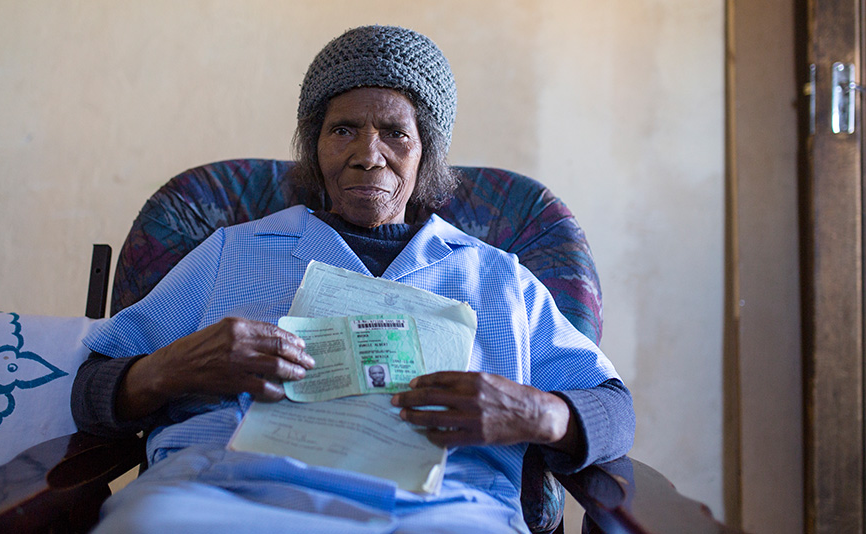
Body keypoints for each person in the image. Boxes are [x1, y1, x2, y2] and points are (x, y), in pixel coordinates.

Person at [73, 25, 634, 534]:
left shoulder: (497, 279)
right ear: (314, 150)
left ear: (426, 154)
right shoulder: (231, 253)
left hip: (439, 511)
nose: (369, 155)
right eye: (343, 130)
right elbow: (89, 390)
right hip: (222, 496)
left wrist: (537, 413)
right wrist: (172, 368)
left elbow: (614, 409)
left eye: (396, 132)